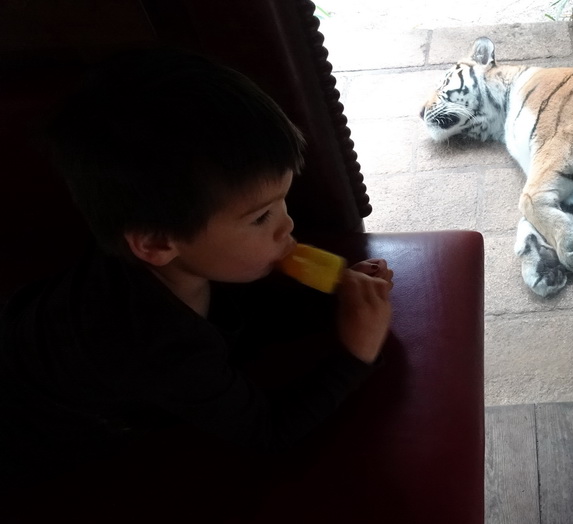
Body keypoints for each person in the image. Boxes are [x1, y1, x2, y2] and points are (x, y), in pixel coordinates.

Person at [0, 48, 393, 487]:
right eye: (261, 217)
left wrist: (336, 299)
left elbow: (241, 315)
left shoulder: (170, 258)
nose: (288, 225)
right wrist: (357, 355)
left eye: (281, 202)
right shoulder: (160, 345)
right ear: (156, 243)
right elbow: (269, 432)